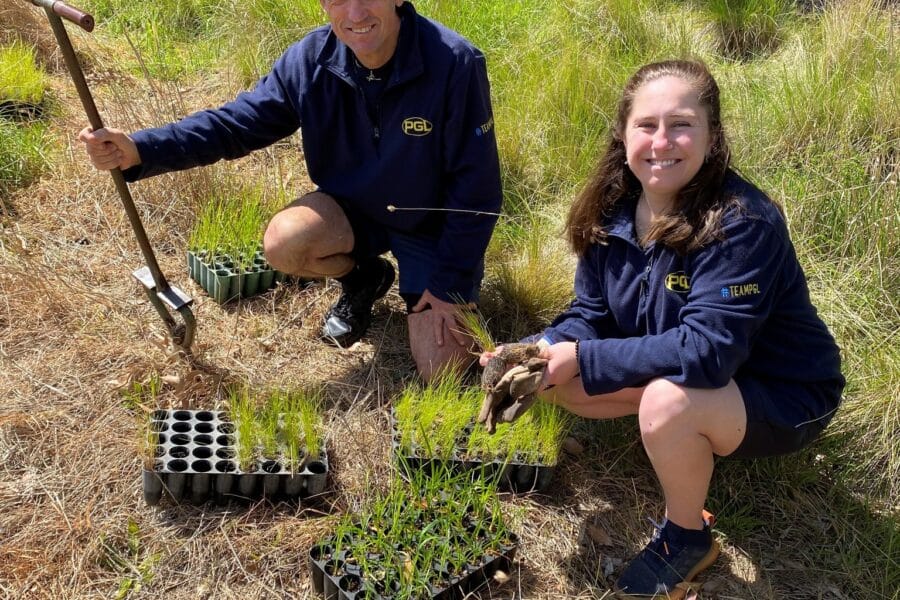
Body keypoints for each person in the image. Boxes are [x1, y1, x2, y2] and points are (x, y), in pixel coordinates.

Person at [480, 59, 844, 597]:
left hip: (785, 391)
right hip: (704, 379)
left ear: (712, 136)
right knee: (557, 381)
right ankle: (680, 437)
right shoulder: (613, 210)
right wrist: (544, 348)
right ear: (624, 134)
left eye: (682, 125)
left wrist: (583, 358)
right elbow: (593, 314)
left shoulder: (742, 222)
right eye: (646, 125)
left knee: (662, 404)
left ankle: (687, 536)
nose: (662, 141)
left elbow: (708, 354)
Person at [78, 0, 502, 381]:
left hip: (431, 225)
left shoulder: (455, 63)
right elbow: (234, 125)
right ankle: (364, 278)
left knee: (441, 368)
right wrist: (142, 149)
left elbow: (477, 191)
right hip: (354, 210)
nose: (355, 14)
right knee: (285, 242)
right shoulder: (310, 61)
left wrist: (449, 284)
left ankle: (434, 292)